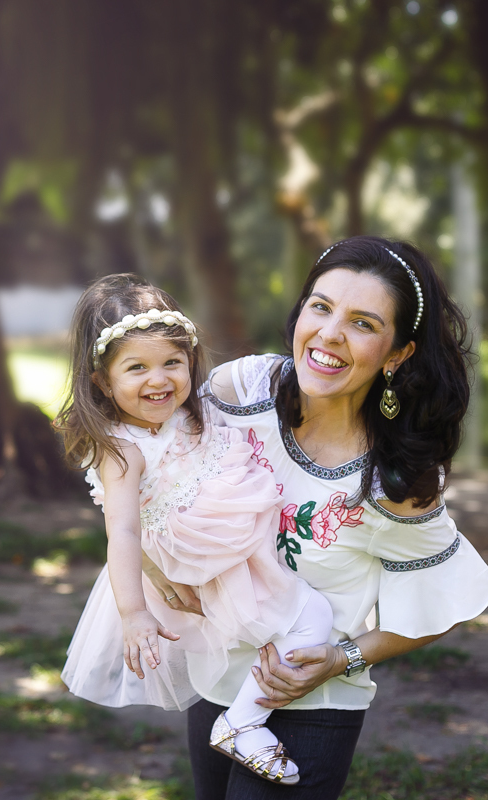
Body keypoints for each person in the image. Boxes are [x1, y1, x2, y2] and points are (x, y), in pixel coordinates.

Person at [147, 235, 488, 799]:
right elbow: (142, 473)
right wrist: (157, 568)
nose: (330, 333)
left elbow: (446, 603)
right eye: (321, 306)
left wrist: (341, 657)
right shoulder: (241, 392)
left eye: (363, 322)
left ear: (397, 354)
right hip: (213, 680)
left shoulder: (394, 482)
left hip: (311, 706)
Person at [57, 274, 335, 786]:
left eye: (171, 362)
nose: (158, 380)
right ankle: (242, 723)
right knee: (312, 616)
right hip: (203, 560)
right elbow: (120, 532)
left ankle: (243, 714)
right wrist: (134, 612)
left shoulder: (188, 413)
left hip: (227, 548)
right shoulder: (123, 450)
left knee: (273, 634)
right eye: (136, 368)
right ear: (101, 381)